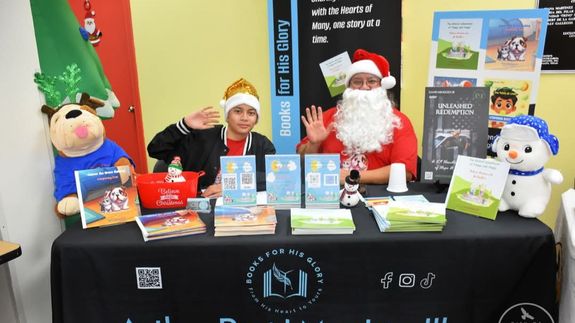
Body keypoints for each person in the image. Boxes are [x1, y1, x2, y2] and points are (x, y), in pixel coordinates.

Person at [297, 49, 418, 184]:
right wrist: (314, 144)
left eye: (371, 81)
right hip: (331, 193)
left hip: (379, 196)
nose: (364, 87)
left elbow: (405, 172)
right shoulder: (328, 117)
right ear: (349, 86)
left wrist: (351, 177)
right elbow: (302, 161)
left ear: (381, 85)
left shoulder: (399, 121)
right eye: (357, 82)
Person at [148, 78, 276, 198]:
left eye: (251, 113)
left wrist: (232, 186)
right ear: (227, 116)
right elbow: (155, 149)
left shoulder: (263, 145)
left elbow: (274, 178)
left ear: (256, 119)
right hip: (202, 207)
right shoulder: (204, 136)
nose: (244, 118)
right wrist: (184, 125)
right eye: (237, 111)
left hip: (244, 209)